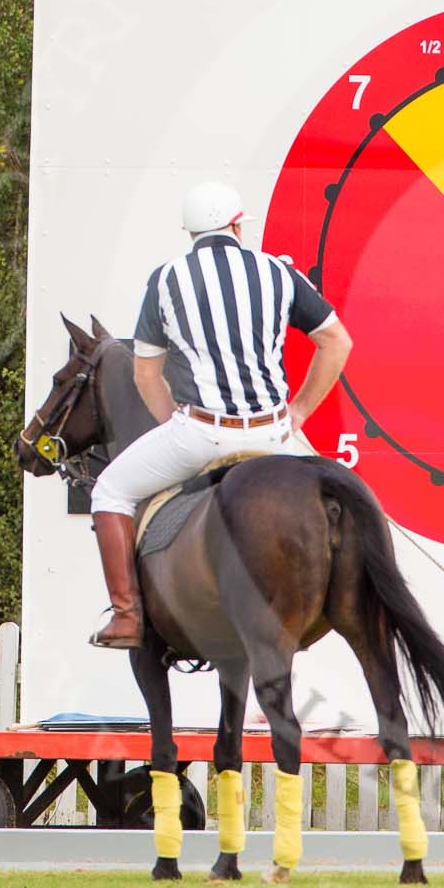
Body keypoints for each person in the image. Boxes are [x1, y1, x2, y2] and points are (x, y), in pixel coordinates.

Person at [85, 180, 353, 648]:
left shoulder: (166, 279)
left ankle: (126, 616)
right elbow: (336, 343)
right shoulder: (277, 271)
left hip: (202, 435)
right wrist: (300, 412)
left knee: (110, 491)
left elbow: (146, 375)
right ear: (235, 227)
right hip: (273, 436)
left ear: (191, 234)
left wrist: (174, 422)